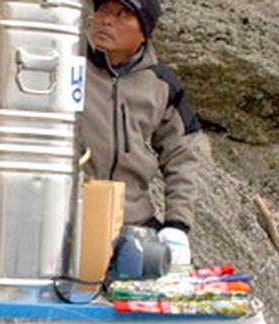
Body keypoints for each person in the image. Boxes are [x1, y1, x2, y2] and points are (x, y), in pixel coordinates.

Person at [81, 0, 203, 266]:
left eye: (123, 14)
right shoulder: (69, 65)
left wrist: (177, 224)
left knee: (175, 286)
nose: (107, 20)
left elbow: (183, 154)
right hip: (69, 214)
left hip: (132, 219)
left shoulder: (161, 84)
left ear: (144, 30)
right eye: (103, 10)